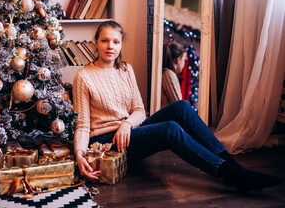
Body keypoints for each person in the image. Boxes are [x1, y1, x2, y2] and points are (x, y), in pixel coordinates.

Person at [72, 20, 282, 192]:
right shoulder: (84, 76)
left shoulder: (126, 69)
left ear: (121, 45)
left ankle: (233, 167)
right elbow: (82, 125)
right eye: (105, 41)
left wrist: (126, 124)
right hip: (106, 142)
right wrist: (80, 155)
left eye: (116, 42)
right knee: (170, 129)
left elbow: (138, 110)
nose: (110, 46)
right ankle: (228, 173)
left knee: (181, 106)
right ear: (96, 43)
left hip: (128, 131)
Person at [162, 42, 186, 107]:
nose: (184, 63)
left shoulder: (166, 73)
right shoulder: (168, 74)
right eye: (183, 59)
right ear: (178, 59)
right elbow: (180, 105)